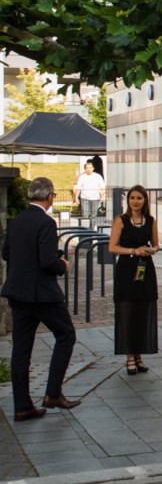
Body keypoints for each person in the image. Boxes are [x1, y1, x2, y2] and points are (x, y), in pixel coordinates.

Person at [1, 177, 81, 422]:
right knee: (66, 335)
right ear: (49, 197)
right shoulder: (46, 222)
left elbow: (7, 253)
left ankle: (23, 406)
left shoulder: (16, 222)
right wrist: (63, 265)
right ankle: (53, 393)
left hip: (18, 293)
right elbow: (48, 262)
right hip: (43, 295)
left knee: (21, 351)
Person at [109, 185, 160, 375]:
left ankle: (139, 355)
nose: (135, 201)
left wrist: (152, 250)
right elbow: (112, 247)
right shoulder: (120, 220)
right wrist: (133, 251)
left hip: (145, 269)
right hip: (126, 270)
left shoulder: (151, 221)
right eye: (132, 198)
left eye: (139, 198)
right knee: (127, 312)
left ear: (145, 200)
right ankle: (130, 356)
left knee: (143, 311)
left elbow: (156, 244)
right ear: (128, 201)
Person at [73, 161, 106, 227]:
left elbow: (102, 187)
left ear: (93, 168)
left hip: (95, 198)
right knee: (85, 214)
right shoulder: (82, 177)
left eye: (90, 168)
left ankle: (92, 228)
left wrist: (103, 195)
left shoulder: (97, 176)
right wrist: (76, 198)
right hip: (84, 198)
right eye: (87, 168)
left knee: (94, 215)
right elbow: (78, 188)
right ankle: (85, 229)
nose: (88, 169)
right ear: (85, 169)